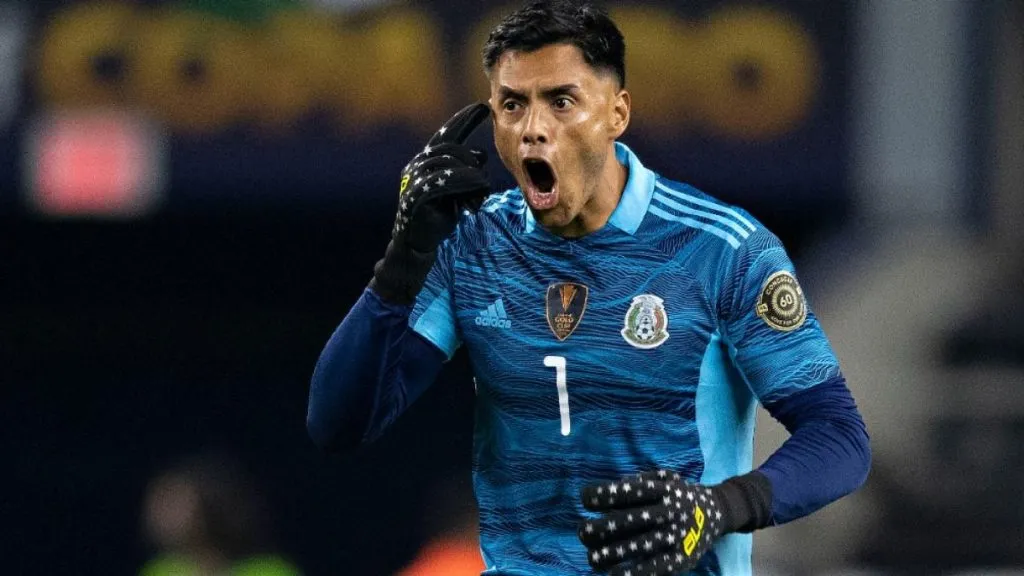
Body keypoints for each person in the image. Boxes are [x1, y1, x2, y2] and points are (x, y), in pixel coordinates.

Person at [306, 1, 871, 574]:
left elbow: (840, 438)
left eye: (561, 101)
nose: (533, 129)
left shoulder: (722, 249)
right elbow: (338, 423)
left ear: (617, 113)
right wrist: (402, 262)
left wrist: (720, 506)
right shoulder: (473, 244)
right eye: (512, 105)